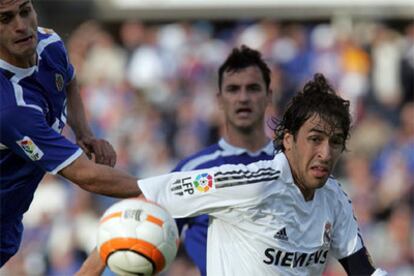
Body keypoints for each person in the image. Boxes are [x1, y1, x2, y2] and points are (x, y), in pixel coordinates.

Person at [78, 73, 387, 275]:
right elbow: (150, 193)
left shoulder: (334, 199)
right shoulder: (248, 183)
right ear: (289, 140)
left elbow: (363, 271)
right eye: (315, 139)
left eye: (335, 142)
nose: (326, 153)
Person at [0, 0, 140, 266]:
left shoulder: (50, 44)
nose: (21, 26)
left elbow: (69, 81)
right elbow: (85, 175)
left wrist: (85, 132)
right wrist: (153, 190)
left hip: (8, 223)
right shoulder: (9, 106)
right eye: (5, 19)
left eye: (25, 11)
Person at [172, 45, 274, 276]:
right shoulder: (192, 172)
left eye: (253, 88)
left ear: (269, 96)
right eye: (233, 89)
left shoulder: (292, 167)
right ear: (219, 99)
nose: (243, 98)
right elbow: (150, 233)